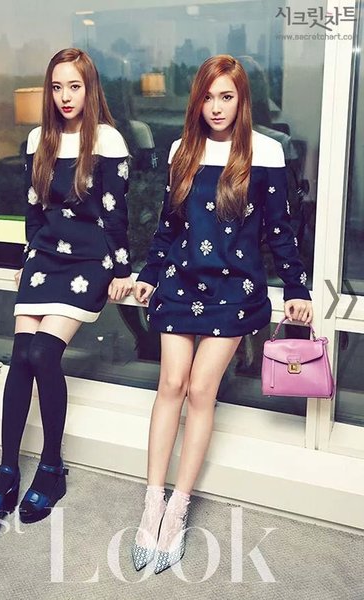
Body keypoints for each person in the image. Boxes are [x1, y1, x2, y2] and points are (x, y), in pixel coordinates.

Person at [132, 54, 312, 573]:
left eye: (226, 97)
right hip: (180, 282)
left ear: (242, 101)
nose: (216, 107)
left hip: (235, 290)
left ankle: (178, 508)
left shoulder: (266, 152)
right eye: (208, 97)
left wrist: (296, 287)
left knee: (200, 390)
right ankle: (152, 503)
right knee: (170, 384)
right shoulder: (181, 150)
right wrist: (149, 272)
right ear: (198, 100)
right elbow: (169, 226)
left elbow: (280, 230)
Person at [0, 48, 133, 532]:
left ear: (90, 90)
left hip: (89, 259)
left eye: (75, 86)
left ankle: (51, 466)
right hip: (44, 256)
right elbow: (33, 209)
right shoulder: (37, 139)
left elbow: (116, 213)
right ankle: (7, 470)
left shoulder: (106, 139)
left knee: (44, 353)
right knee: (21, 355)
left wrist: (122, 269)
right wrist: (28, 258)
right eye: (58, 87)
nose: (66, 96)